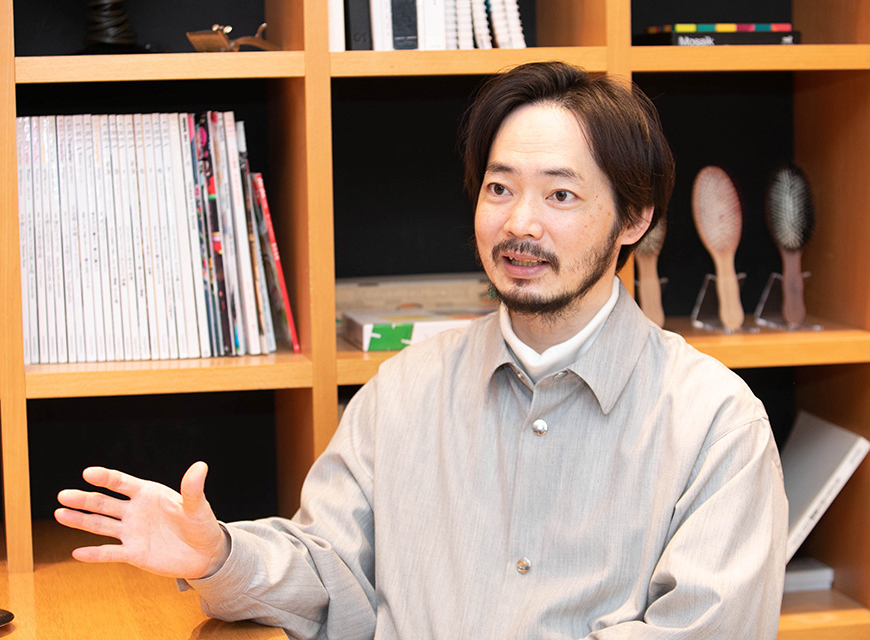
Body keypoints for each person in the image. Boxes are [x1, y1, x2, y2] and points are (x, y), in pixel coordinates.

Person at [55, 61, 788, 639]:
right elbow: (331, 576)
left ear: (634, 219)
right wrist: (218, 555)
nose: (520, 223)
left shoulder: (716, 425)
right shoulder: (403, 391)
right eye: (499, 188)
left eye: (560, 196)